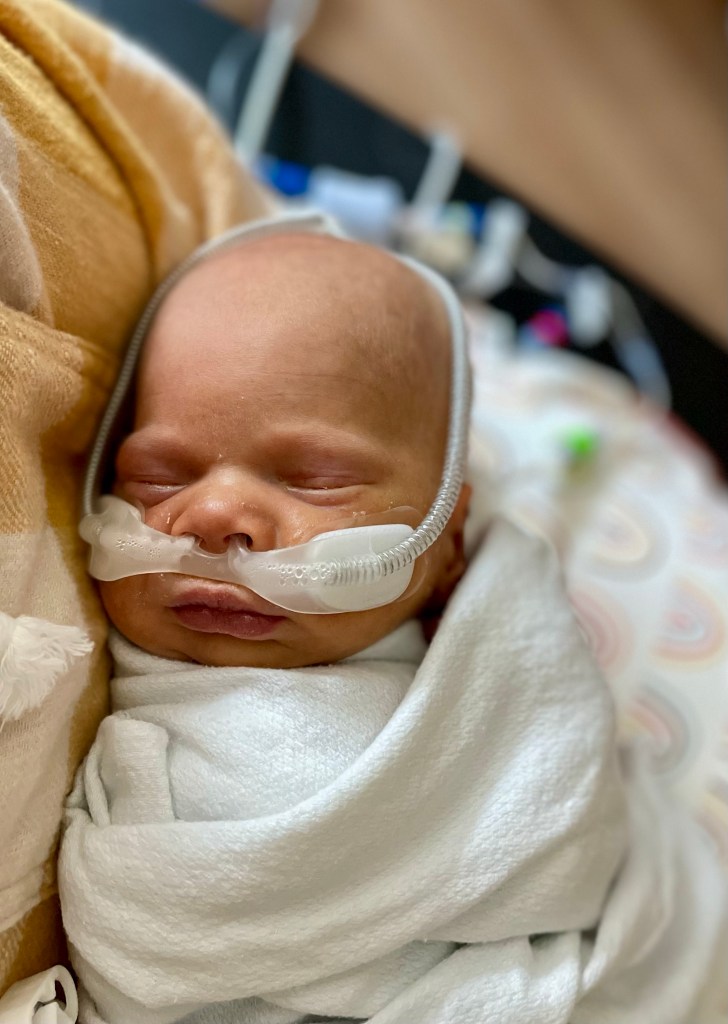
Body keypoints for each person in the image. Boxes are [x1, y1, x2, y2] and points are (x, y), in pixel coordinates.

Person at [58, 214, 727, 1024]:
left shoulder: (502, 683)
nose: (214, 518)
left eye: (313, 479)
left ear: (447, 543)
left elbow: (566, 836)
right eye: (158, 477)